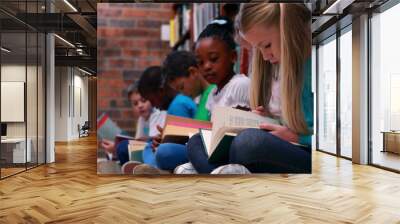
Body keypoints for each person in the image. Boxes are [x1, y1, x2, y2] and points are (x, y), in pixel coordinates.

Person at [210, 3, 313, 174]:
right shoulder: (276, 69)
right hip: (283, 146)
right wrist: (266, 119)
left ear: (288, 30)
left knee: (247, 143)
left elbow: (341, 139)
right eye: (257, 50)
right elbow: (285, 125)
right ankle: (229, 171)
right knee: (196, 142)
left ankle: (221, 171)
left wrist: (297, 137)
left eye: (266, 45)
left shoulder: (320, 65)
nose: (265, 56)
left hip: (308, 153)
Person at [175, 17, 251, 174]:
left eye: (214, 59)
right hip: (217, 150)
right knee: (191, 144)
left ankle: (211, 172)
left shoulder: (239, 84)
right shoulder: (212, 94)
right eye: (200, 62)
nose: (207, 67)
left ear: (233, 57)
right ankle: (213, 171)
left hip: (237, 150)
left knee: (195, 142)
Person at [163, 50, 216, 121]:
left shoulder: (215, 95)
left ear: (193, 72)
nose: (183, 94)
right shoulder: (200, 100)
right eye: (178, 91)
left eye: (182, 87)